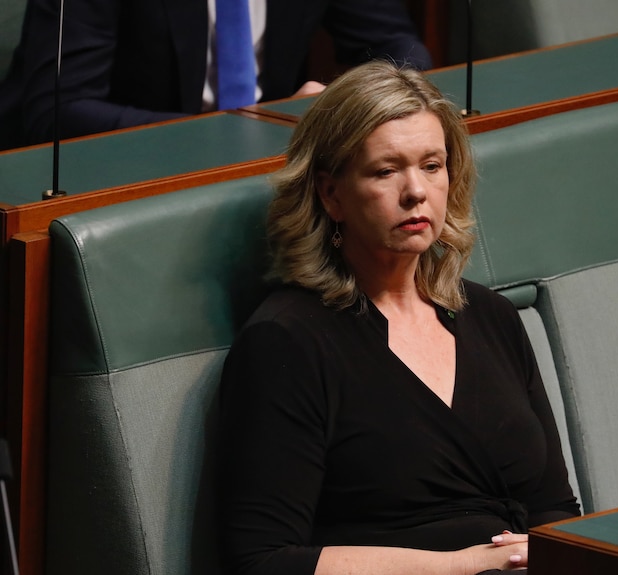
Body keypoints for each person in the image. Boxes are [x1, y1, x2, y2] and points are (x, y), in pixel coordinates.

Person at [216, 60, 581, 575]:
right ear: (331, 193)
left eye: (432, 166)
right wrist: (462, 566)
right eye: (386, 171)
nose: (416, 191)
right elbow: (261, 561)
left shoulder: (492, 316)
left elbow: (555, 513)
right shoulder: (287, 342)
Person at [0, 0, 432, 150]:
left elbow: (399, 44)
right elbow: (60, 112)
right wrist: (245, 133)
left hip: (268, 168)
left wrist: (346, 106)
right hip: (124, 177)